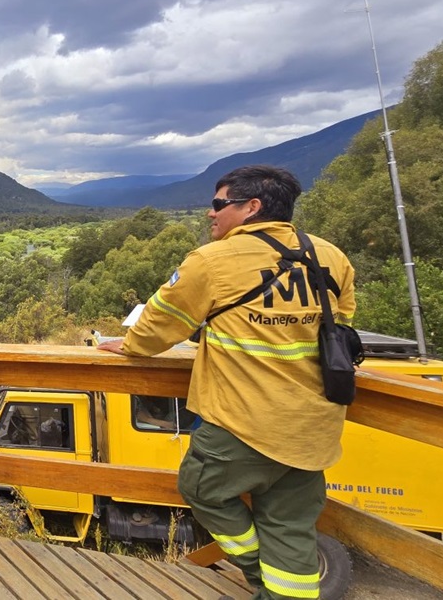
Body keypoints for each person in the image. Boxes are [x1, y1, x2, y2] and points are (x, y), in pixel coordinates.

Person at [99, 165, 356, 600]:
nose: (209, 214)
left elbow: (158, 325)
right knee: (290, 527)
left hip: (242, 421)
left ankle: (253, 564)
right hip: (313, 427)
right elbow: (342, 323)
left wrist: (127, 346)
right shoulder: (331, 256)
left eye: (219, 204)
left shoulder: (212, 260)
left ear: (251, 207)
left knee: (201, 487)